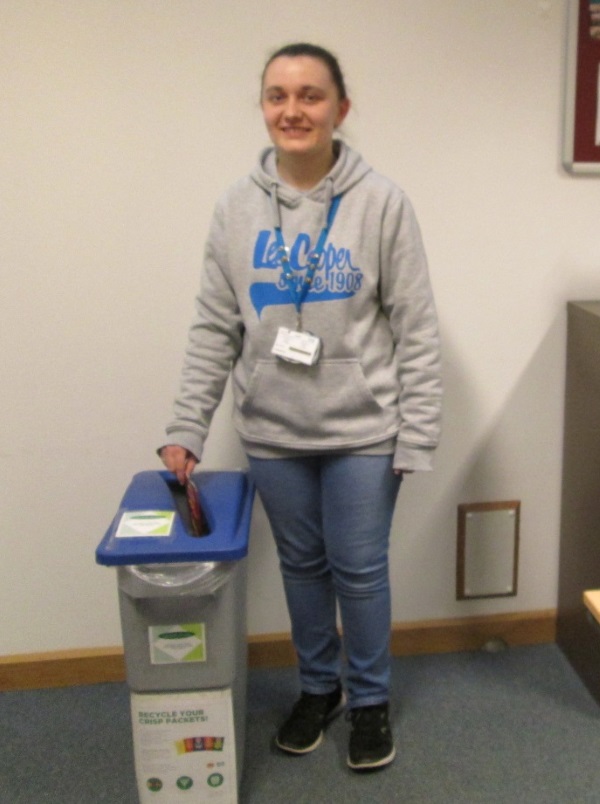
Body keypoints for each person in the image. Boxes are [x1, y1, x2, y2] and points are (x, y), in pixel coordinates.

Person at [159, 42, 442, 771]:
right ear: (263, 107)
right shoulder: (235, 207)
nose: (294, 110)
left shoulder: (382, 202)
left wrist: (417, 436)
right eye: (278, 95)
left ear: (340, 109)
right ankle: (320, 688)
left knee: (359, 567)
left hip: (363, 431)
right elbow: (213, 326)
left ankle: (370, 698)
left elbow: (416, 329)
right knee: (302, 565)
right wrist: (187, 427)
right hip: (274, 428)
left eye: (311, 95)